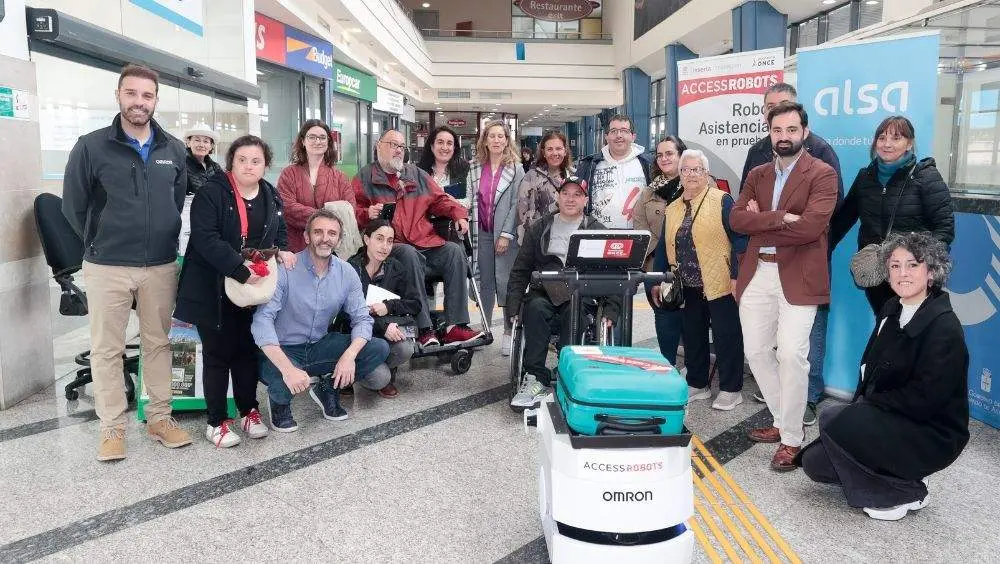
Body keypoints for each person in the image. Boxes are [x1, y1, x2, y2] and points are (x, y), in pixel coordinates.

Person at [61, 64, 191, 461]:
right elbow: (73, 206)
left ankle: (160, 418)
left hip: (160, 265)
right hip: (108, 266)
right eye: (131, 93)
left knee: (159, 343)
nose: (139, 102)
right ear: (118, 95)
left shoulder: (174, 149)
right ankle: (112, 428)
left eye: (147, 95)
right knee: (107, 349)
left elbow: (175, 202)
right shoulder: (91, 146)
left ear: (156, 100)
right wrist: (99, 243)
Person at [797, 232, 969, 521]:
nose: (903, 273)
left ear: (931, 272)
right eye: (895, 266)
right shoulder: (891, 309)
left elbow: (924, 400)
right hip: (890, 414)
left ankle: (906, 491)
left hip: (930, 432)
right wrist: (861, 410)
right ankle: (897, 473)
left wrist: (865, 410)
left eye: (913, 265)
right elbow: (870, 370)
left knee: (832, 418)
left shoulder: (945, 328)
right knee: (816, 464)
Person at [730, 101, 838, 472]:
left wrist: (761, 221)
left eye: (792, 130)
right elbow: (737, 220)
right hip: (758, 271)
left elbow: (811, 227)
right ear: (769, 132)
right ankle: (781, 419)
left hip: (800, 275)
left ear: (804, 132)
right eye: (777, 130)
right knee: (757, 351)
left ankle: (791, 438)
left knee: (791, 354)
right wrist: (778, 218)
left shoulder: (822, 173)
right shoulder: (758, 173)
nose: (784, 136)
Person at [175, 135, 296, 447]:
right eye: (242, 160)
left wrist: (282, 250)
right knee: (217, 354)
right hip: (213, 287)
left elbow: (279, 229)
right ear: (231, 162)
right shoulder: (212, 192)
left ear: (265, 165)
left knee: (246, 351)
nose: (248, 166)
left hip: (252, 290)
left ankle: (248, 411)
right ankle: (216, 422)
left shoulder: (270, 193)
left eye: (256, 161)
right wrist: (240, 270)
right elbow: (205, 238)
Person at [251, 210, 391, 431]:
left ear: (338, 240)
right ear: (307, 237)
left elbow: (362, 319)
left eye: (332, 233)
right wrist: (288, 369)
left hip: (319, 345)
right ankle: (279, 401)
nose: (325, 238)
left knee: (378, 348)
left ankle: (328, 388)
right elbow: (262, 321)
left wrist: (349, 356)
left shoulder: (346, 273)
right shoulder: (286, 269)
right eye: (318, 232)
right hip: (283, 348)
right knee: (279, 371)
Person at [353, 129, 483, 347]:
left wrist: (459, 214)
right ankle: (425, 329)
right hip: (391, 247)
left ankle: (455, 326)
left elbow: (441, 200)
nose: (398, 150)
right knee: (408, 253)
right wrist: (367, 213)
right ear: (379, 146)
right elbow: (352, 212)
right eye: (393, 145)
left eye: (401, 146)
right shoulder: (365, 177)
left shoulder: (415, 174)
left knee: (453, 251)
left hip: (424, 240)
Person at [505, 176, 615, 409]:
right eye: (565, 193)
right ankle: (535, 377)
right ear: (557, 196)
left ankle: (568, 372)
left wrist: (611, 310)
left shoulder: (596, 230)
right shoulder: (540, 227)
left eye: (577, 195)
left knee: (574, 314)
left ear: (585, 200)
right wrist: (513, 306)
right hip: (545, 290)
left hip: (580, 294)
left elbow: (613, 275)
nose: (570, 199)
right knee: (534, 308)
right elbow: (520, 270)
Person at [830, 115, 955, 316]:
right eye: (882, 138)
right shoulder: (865, 177)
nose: (887, 144)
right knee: (886, 324)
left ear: (909, 143)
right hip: (878, 273)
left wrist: (925, 265)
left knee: (914, 327)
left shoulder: (926, 176)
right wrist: (820, 249)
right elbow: (842, 220)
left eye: (896, 138)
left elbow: (945, 228)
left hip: (913, 273)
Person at [652, 150, 747, 410]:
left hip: (720, 282)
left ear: (706, 173)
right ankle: (697, 383)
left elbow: (739, 239)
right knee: (692, 336)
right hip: (687, 284)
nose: (691, 174)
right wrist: (659, 280)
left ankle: (731, 389)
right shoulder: (673, 208)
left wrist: (736, 276)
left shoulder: (721, 200)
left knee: (727, 336)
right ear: (680, 174)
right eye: (686, 170)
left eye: (697, 169)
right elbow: (664, 247)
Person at [336, 219, 421, 398]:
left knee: (406, 348)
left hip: (383, 334)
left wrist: (389, 306)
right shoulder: (352, 268)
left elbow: (415, 304)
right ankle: (348, 372)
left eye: (390, 241)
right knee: (379, 378)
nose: (385, 246)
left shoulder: (395, 267)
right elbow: (346, 314)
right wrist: (383, 325)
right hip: (355, 337)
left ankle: (381, 370)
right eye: (379, 239)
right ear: (367, 239)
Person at [467, 120, 525, 354]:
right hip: (481, 233)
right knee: (485, 284)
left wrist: (506, 234)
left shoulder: (516, 168)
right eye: (492, 136)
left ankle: (509, 331)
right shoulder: (474, 167)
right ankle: (485, 328)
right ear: (485, 140)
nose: (496, 140)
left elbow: (517, 204)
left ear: (507, 140)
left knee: (507, 284)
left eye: (501, 136)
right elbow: (470, 198)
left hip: (505, 236)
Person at [635, 135, 686, 366]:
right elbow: (640, 227)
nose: (664, 158)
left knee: (692, 322)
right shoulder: (649, 192)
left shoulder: (697, 183)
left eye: (669, 153)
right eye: (659, 155)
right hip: (656, 265)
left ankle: (695, 373)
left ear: (681, 155)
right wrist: (661, 255)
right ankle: (668, 366)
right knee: (664, 320)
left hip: (690, 265)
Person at [277, 119, 357, 253]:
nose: (318, 141)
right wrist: (324, 215)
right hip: (296, 247)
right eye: (312, 137)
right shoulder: (289, 174)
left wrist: (320, 218)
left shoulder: (340, 177)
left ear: (328, 142)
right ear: (303, 141)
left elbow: (350, 209)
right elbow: (287, 207)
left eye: (322, 137)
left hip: (331, 248)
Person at [575, 114, 655, 229]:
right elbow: (575, 197)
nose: (619, 135)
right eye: (613, 131)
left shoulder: (649, 164)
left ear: (633, 136)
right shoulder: (589, 165)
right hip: (598, 233)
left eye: (624, 131)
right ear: (606, 137)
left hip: (639, 233)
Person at [515, 130, 573, 245]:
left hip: (567, 239)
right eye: (550, 149)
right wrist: (524, 241)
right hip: (539, 240)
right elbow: (522, 211)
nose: (555, 153)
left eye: (558, 148)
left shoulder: (572, 175)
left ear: (565, 151)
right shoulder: (531, 176)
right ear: (543, 152)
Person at [416, 125, 470, 202]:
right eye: (440, 142)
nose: (444, 147)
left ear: (454, 148)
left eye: (449, 143)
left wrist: (455, 202)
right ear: (432, 146)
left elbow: (471, 200)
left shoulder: (465, 170)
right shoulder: (418, 172)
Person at [183, 123, 222, 195]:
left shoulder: (215, 167)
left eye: (206, 141)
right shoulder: (181, 164)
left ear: (211, 146)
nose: (201, 145)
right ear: (188, 143)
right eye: (197, 140)